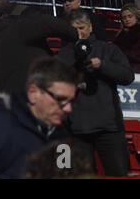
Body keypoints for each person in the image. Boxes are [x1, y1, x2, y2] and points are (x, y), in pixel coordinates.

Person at [0, 57, 78, 178]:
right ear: (33, 93)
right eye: (60, 99)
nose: (68, 109)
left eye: (71, 101)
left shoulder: (63, 137)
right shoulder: (0, 127)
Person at [57, 10, 134, 176]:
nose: (79, 32)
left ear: (90, 27)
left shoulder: (108, 50)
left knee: (118, 175)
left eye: (82, 27)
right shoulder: (63, 54)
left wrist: (103, 66)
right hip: (76, 130)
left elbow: (127, 76)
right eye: (74, 29)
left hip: (109, 129)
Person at [114, 4, 140, 73]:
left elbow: (136, 55)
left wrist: (118, 54)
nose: (127, 19)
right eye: (124, 17)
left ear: (136, 17)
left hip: (135, 66)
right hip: (124, 63)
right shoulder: (123, 33)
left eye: (130, 16)